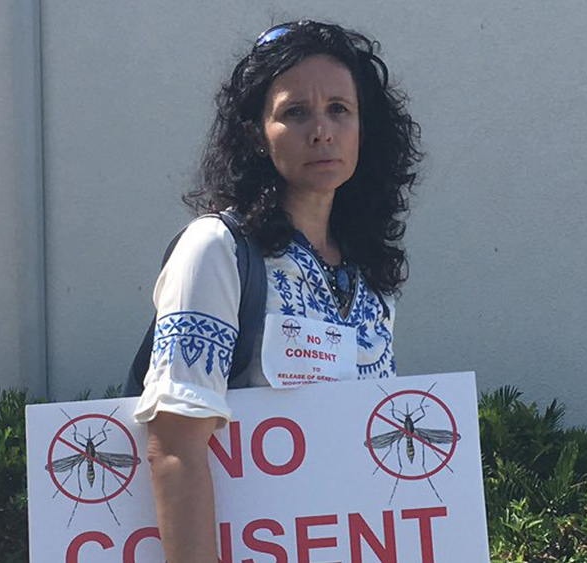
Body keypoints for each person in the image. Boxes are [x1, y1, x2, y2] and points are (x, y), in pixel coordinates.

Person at [132, 20, 422, 563]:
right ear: (255, 134)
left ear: (365, 129)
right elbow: (174, 447)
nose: (322, 131)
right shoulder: (216, 251)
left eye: (340, 109)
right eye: (296, 112)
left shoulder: (369, 272)